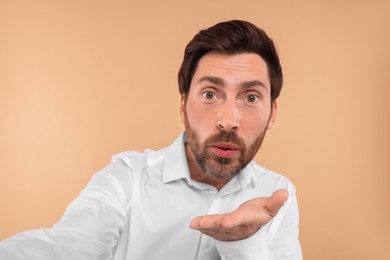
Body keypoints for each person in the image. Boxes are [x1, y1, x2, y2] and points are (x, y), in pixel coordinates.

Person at [0, 20, 302, 259]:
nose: (229, 120)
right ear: (183, 106)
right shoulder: (127, 177)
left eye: (250, 97)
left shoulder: (277, 195)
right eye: (210, 94)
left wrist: (245, 244)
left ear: (272, 113)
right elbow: (68, 246)